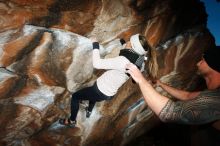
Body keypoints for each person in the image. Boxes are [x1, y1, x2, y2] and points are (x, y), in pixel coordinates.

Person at [126, 46, 220, 145]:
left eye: (202, 60)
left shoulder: (217, 99)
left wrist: (140, 79)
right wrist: (160, 84)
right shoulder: (213, 93)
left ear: (214, 66)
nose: (198, 63)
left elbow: (170, 113)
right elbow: (187, 96)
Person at [59, 34, 151, 128]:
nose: (127, 41)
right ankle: (89, 111)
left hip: (100, 90)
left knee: (75, 97)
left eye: (129, 41)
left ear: (131, 46)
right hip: (109, 93)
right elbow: (128, 54)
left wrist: (95, 44)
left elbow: (97, 64)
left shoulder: (123, 61)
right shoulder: (139, 61)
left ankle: (72, 120)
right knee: (93, 97)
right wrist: (123, 43)